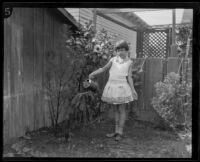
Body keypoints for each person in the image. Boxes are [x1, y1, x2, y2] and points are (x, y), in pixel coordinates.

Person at [89, 40, 138, 141]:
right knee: (116, 109)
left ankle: (120, 132)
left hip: (122, 88)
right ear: (116, 51)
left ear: (127, 51)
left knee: (122, 110)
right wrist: (93, 73)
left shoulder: (129, 62)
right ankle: (116, 131)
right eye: (119, 50)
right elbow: (103, 69)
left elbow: (129, 77)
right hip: (112, 86)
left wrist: (133, 90)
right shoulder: (113, 60)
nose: (120, 52)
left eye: (123, 50)